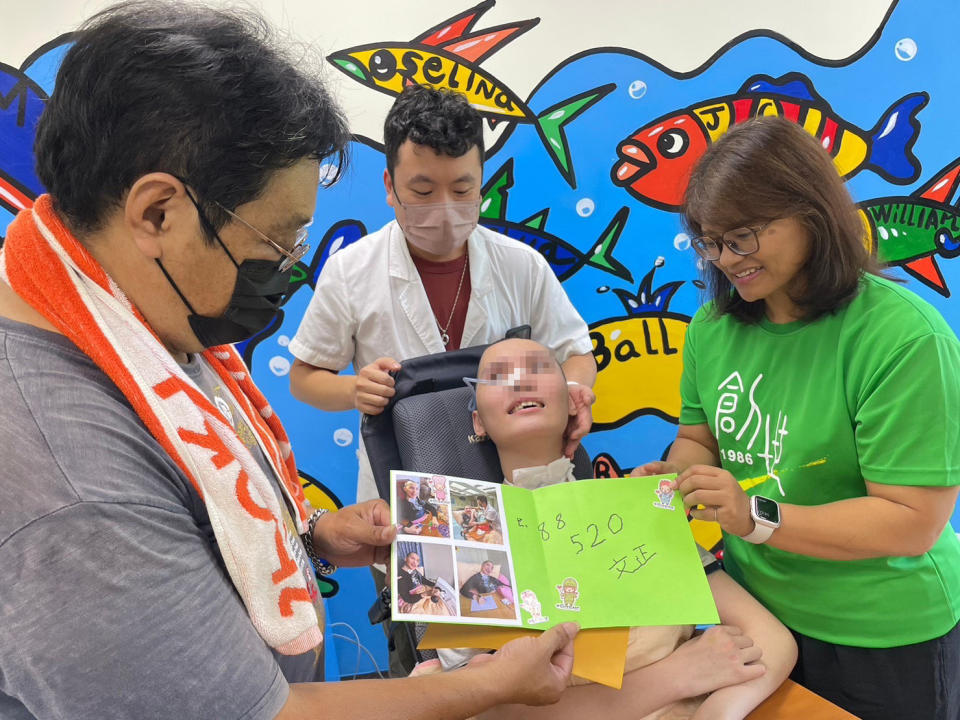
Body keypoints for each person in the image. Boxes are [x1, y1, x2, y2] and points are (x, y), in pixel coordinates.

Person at [0, 4, 582, 718]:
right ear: (157, 213)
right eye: (276, 240)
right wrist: (488, 686)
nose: (286, 268)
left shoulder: (145, 327)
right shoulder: (75, 491)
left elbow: (194, 524)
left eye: (462, 190)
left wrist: (312, 541)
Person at [634, 116, 960, 720]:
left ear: (810, 213)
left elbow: (910, 521)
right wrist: (678, 478)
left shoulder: (903, 338)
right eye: (709, 241)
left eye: (744, 237)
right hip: (760, 620)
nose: (726, 259)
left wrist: (752, 515)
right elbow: (699, 438)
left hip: (882, 631)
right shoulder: (714, 326)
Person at [422, 338, 797, 720]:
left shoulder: (638, 510)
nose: (520, 382)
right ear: (478, 421)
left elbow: (771, 640)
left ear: (572, 400)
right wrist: (675, 676)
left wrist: (716, 713)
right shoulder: (461, 541)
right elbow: (474, 710)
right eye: (498, 377)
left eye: (538, 368)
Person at [288, 84, 598, 512]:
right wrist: (354, 389)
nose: (445, 208)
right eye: (423, 191)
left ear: (482, 183)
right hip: (405, 484)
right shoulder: (351, 271)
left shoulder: (521, 265)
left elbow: (577, 353)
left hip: (522, 495)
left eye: (462, 189)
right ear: (389, 185)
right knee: (418, 575)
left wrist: (576, 389)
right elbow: (304, 378)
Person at [396, 552, 453, 616]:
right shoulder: (400, 577)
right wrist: (425, 594)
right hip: (411, 599)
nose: (415, 562)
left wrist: (436, 586)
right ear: (405, 559)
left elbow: (423, 580)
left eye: (417, 561)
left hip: (421, 590)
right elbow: (407, 598)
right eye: (412, 558)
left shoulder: (414, 570)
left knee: (440, 609)